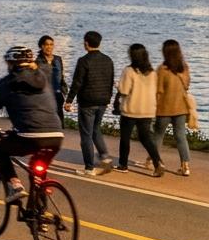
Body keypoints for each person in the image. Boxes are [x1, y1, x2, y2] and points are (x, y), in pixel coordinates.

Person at [0, 46, 65, 203]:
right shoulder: (43, 77)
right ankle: (41, 214)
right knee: (38, 171)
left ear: (12, 64)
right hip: (56, 135)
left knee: (0, 150)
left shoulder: (8, 83)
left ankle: (15, 185)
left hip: (30, 136)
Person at [65, 30, 115, 176]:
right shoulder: (108, 60)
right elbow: (110, 81)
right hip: (103, 101)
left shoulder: (83, 61)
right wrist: (108, 97)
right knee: (96, 129)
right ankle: (104, 157)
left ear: (86, 43)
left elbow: (77, 83)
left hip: (87, 102)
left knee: (86, 134)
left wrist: (69, 100)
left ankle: (89, 167)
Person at [115, 43, 167, 175]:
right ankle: (157, 162)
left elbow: (124, 90)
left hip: (130, 110)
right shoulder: (152, 73)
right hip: (147, 110)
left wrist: (117, 85)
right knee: (145, 138)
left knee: (125, 138)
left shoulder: (129, 71)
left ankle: (123, 164)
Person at [153, 39, 193, 177]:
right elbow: (187, 85)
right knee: (181, 137)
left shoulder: (162, 69)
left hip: (164, 108)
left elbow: (158, 90)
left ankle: (157, 163)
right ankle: (185, 166)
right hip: (181, 108)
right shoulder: (184, 67)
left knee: (158, 136)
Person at [36, 35, 68, 116]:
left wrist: (64, 92)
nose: (49, 47)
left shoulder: (58, 59)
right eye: (46, 44)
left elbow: (61, 77)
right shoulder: (38, 62)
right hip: (44, 96)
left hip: (58, 94)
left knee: (59, 119)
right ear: (41, 46)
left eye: (51, 44)